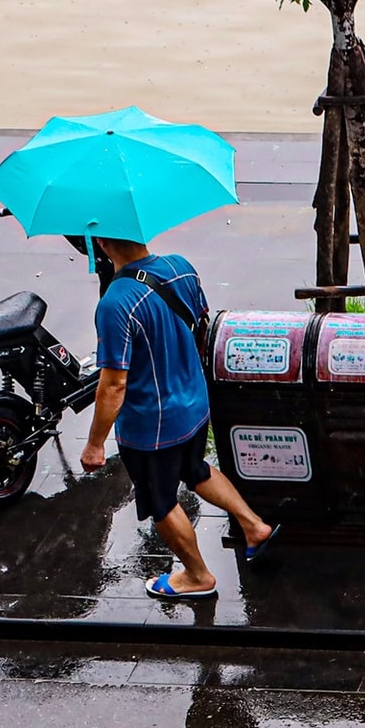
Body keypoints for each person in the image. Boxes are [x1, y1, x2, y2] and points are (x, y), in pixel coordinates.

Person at [81, 237, 276, 601]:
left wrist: (95, 445)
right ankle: (254, 526)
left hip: (153, 424)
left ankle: (197, 575)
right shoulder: (180, 267)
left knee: (160, 500)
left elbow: (113, 385)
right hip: (194, 402)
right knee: (195, 468)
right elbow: (201, 324)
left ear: (103, 244)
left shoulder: (115, 303)